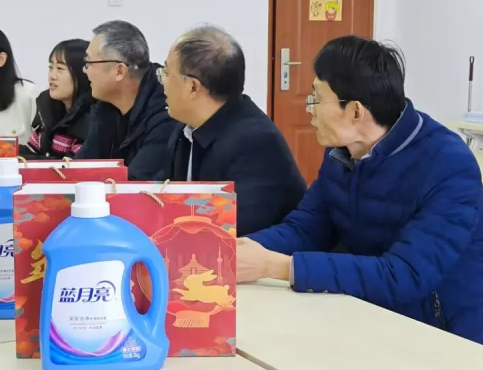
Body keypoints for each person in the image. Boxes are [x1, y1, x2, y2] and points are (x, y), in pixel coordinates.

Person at [236, 36, 483, 348]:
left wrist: (275, 266)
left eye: (316, 98)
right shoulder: (343, 153)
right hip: (365, 317)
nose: (309, 110)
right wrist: (236, 249)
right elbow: (305, 228)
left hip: (443, 341)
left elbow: (404, 275)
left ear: (356, 111)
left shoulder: (449, 165)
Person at [158, 25, 307, 236]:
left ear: (192, 87)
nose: (162, 84)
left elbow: (235, 229)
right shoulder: (185, 130)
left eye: (166, 73)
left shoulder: (256, 144)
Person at [76, 20, 177, 179]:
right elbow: (83, 166)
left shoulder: (166, 114)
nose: (84, 70)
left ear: (119, 71)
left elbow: (136, 184)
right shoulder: (107, 104)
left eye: (89, 63)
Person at [20, 39, 94, 159]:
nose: (52, 76)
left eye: (60, 68)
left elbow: (70, 165)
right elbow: (33, 150)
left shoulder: (93, 117)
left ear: (82, 73)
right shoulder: (47, 106)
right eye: (51, 67)